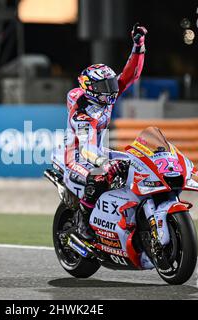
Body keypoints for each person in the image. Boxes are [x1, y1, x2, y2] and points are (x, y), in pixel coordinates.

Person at [64, 23, 148, 241]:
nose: (111, 90)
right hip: (78, 157)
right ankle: (83, 222)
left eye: (111, 84)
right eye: (105, 86)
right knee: (100, 177)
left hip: (99, 151)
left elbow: (130, 76)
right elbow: (88, 147)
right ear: (91, 90)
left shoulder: (104, 99)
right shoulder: (81, 112)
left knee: (138, 161)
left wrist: (138, 46)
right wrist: (103, 162)